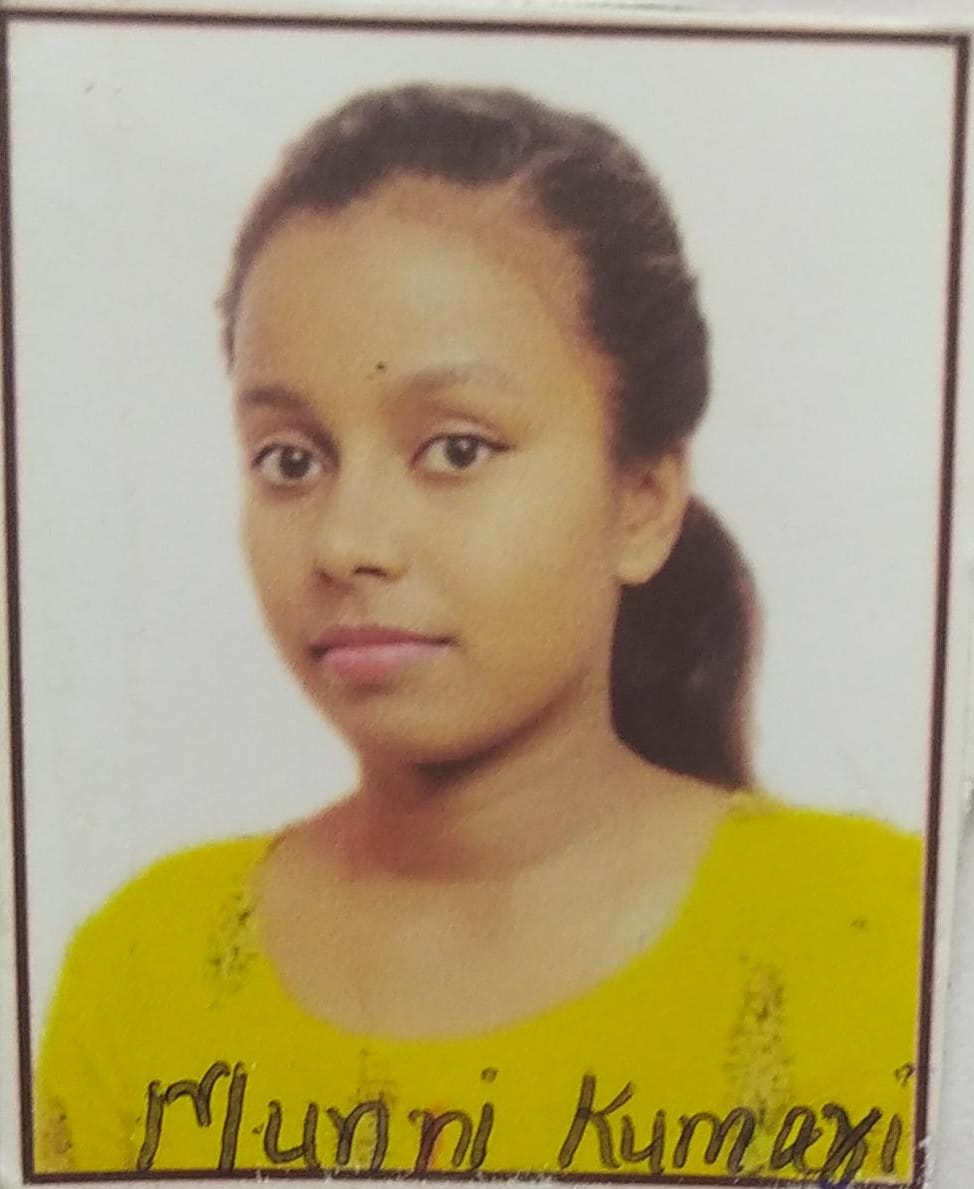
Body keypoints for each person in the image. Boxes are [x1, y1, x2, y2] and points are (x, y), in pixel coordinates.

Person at [34, 85, 921, 1183]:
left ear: (640, 500)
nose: (347, 541)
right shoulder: (148, 973)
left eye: (455, 449)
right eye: (289, 459)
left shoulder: (884, 938)